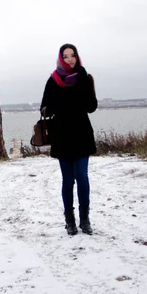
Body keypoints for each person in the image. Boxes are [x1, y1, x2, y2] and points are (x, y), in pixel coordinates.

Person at [40, 44, 98, 235]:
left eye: (73, 55)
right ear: (60, 58)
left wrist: (90, 90)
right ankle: (70, 220)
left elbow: (91, 107)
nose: (70, 59)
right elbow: (44, 107)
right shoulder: (53, 80)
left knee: (82, 177)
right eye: (65, 56)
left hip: (81, 133)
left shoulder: (85, 77)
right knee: (67, 180)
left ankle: (85, 219)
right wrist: (58, 105)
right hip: (62, 135)